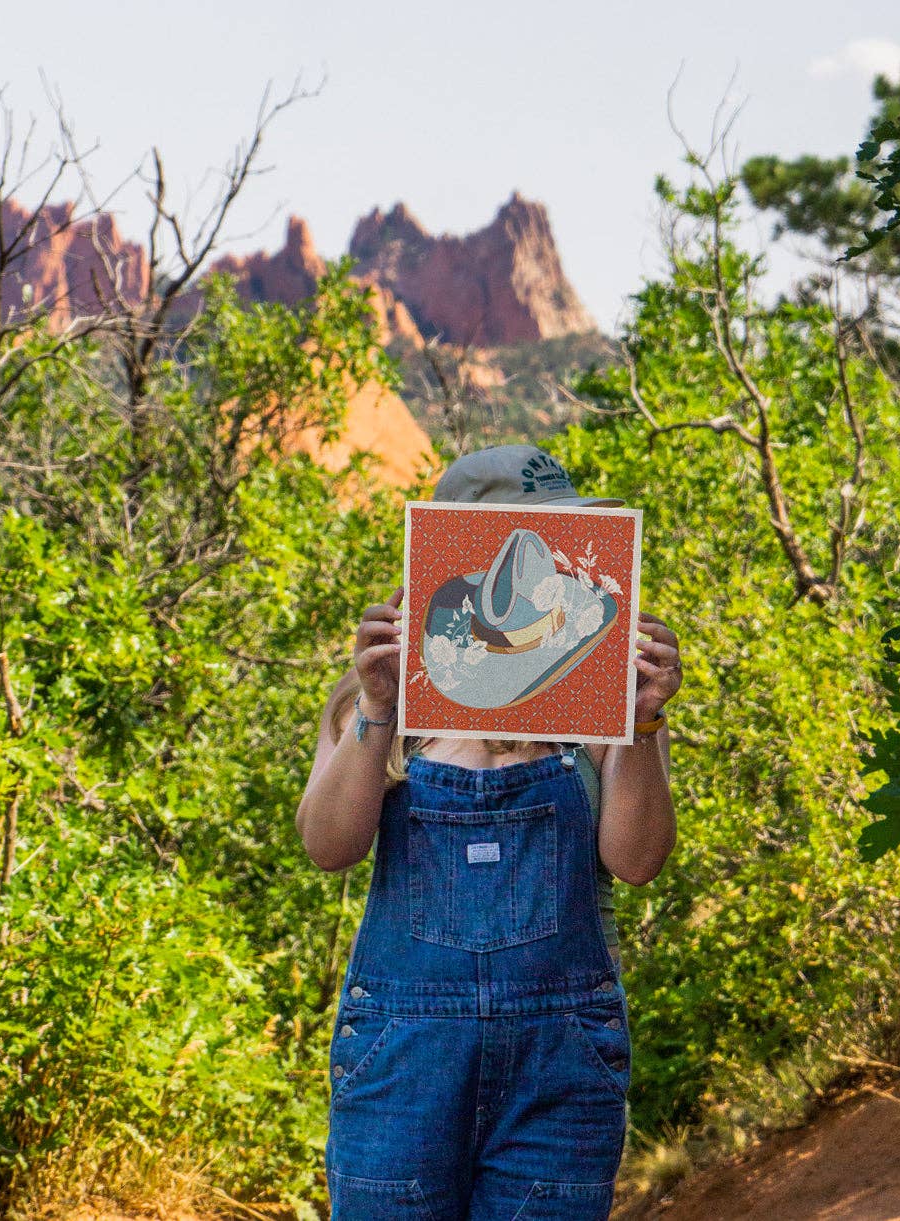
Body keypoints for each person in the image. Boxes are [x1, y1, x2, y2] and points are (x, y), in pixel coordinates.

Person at [295, 444, 681, 1220]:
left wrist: (642, 721)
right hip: (401, 1063)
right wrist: (377, 707)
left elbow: (637, 863)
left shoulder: (604, 694)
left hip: (561, 1063)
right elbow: (328, 846)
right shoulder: (378, 693)